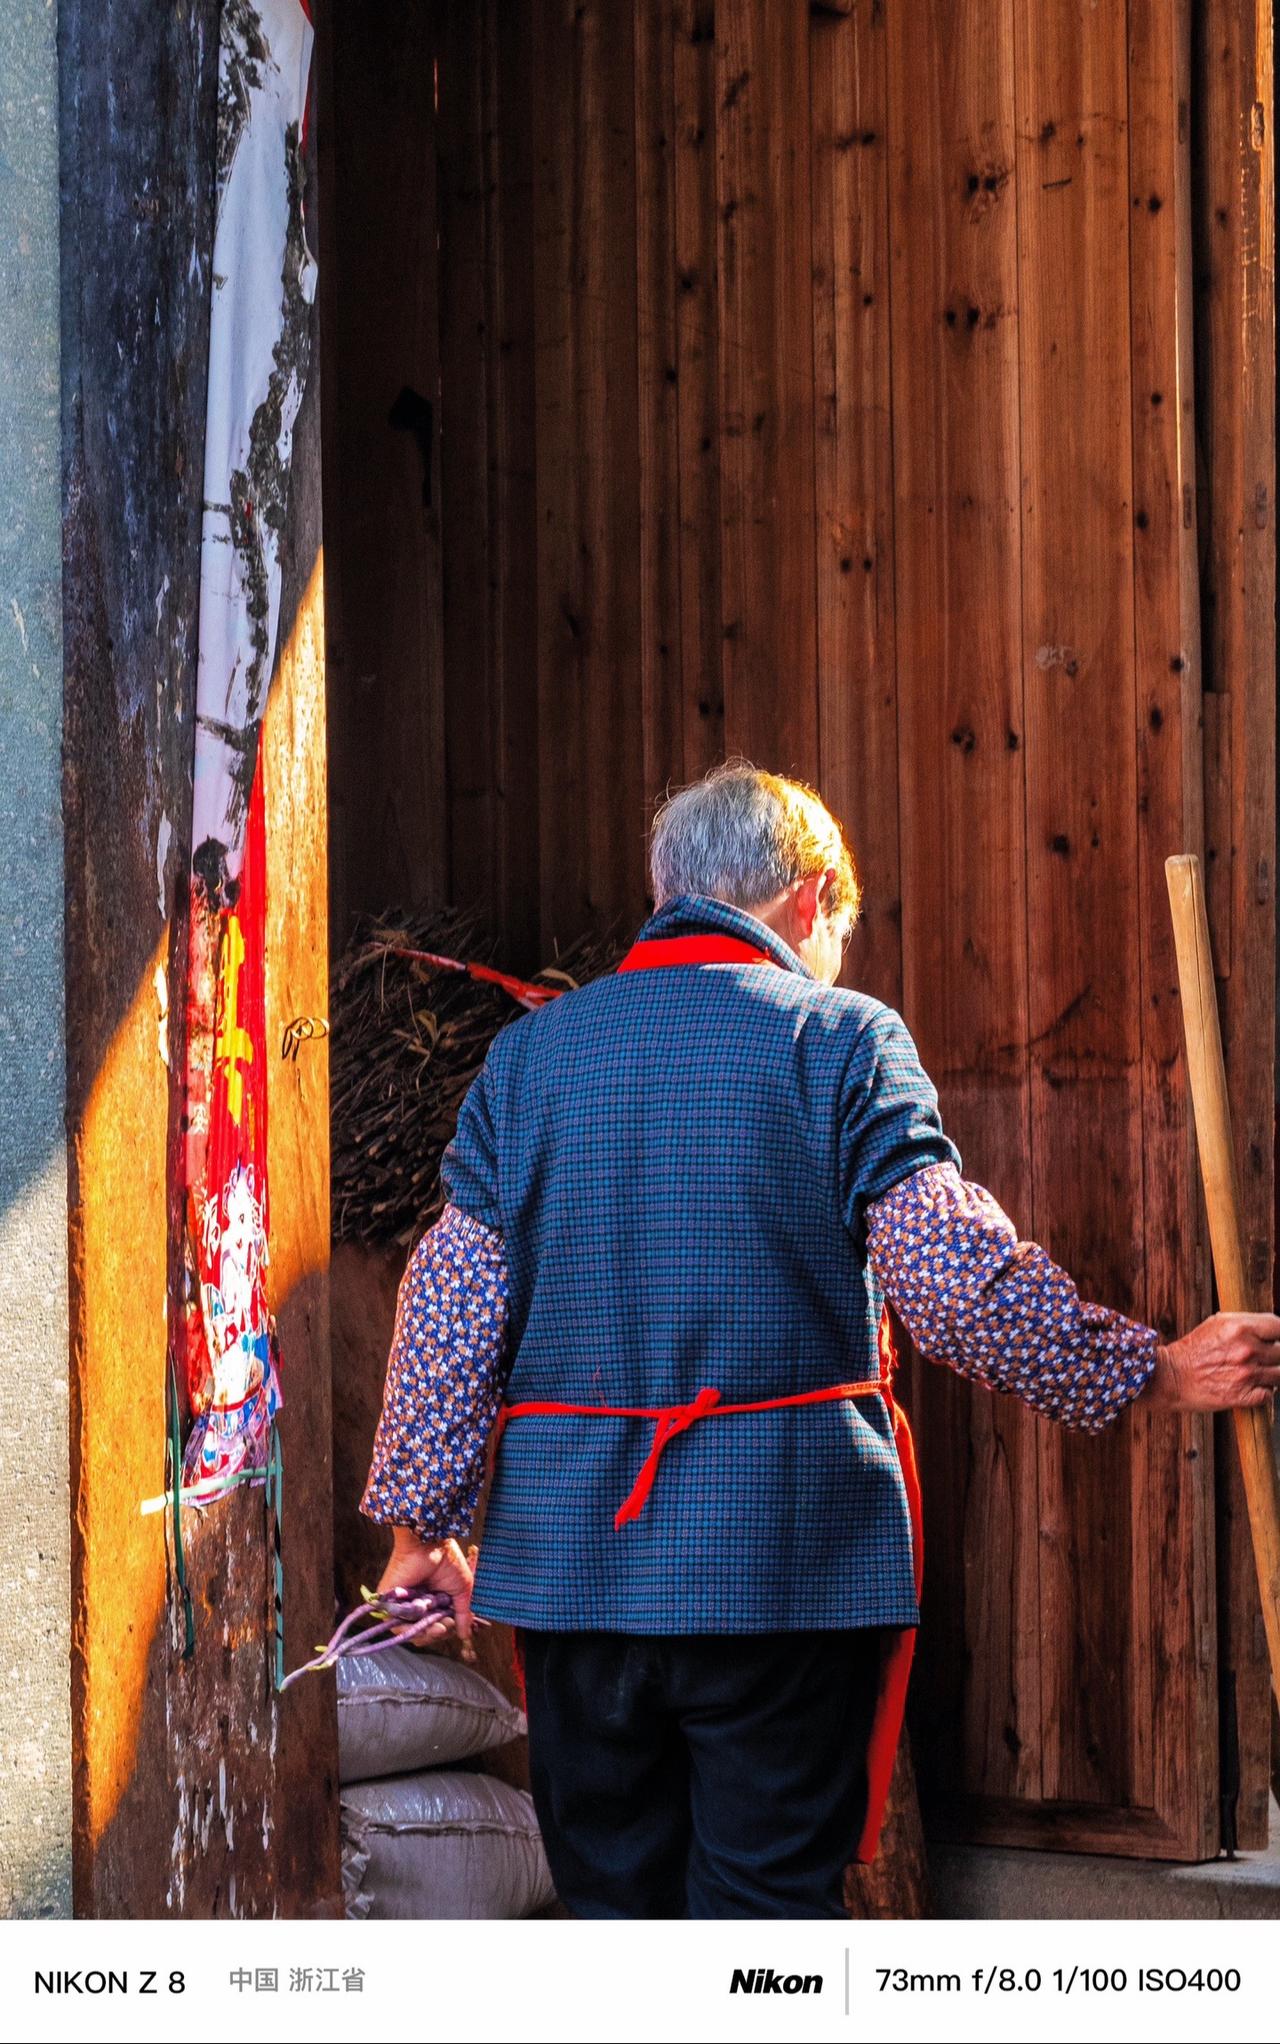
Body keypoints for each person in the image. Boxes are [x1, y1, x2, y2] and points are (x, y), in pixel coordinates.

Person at [361, 762, 1280, 1920]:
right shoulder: (843, 1039)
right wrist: (1150, 1365)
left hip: (573, 1576)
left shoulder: (532, 1058)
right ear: (813, 892)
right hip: (777, 1565)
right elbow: (952, 1279)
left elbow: (449, 1303)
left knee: (608, 1916)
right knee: (764, 1921)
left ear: (667, 893)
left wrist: (422, 1526)